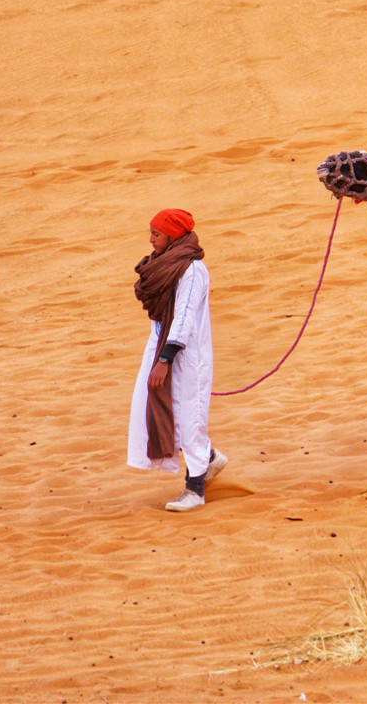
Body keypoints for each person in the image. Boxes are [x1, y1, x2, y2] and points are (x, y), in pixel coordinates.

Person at [128, 207, 227, 511]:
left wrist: (165, 360)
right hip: (160, 347)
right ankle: (209, 459)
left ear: (172, 234)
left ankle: (195, 489)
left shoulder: (192, 270)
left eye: (156, 233)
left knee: (188, 417)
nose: (151, 239)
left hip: (187, 354)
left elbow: (183, 318)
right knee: (152, 406)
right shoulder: (162, 265)